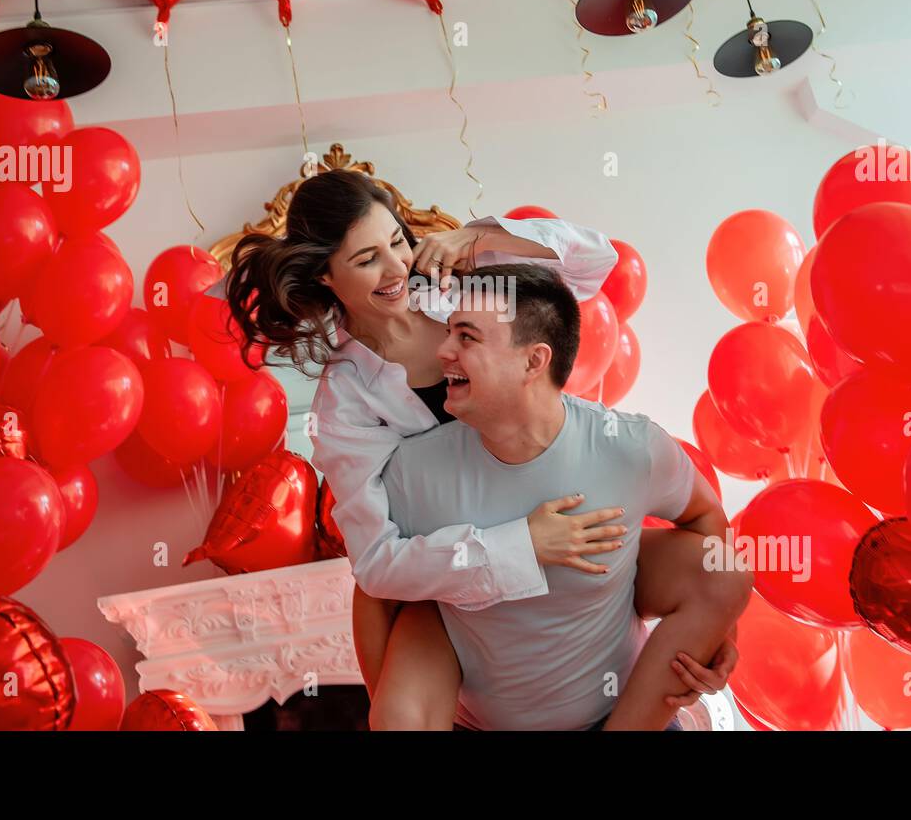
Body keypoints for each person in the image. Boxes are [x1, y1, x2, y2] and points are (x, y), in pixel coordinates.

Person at [223, 169, 738, 729]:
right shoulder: (345, 401)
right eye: (367, 259)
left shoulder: (461, 284)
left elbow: (594, 265)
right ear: (325, 276)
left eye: (397, 240)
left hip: (561, 501)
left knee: (721, 572)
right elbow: (378, 563)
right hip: (454, 564)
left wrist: (479, 239)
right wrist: (519, 546)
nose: (397, 268)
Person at [381, 263, 752, 730]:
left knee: (722, 568)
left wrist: (723, 633)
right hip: (479, 723)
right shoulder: (413, 471)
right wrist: (385, 703)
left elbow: (705, 516)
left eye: (467, 337)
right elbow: (374, 589)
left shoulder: (629, 447)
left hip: (619, 715)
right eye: (449, 332)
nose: (444, 350)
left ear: (533, 361)